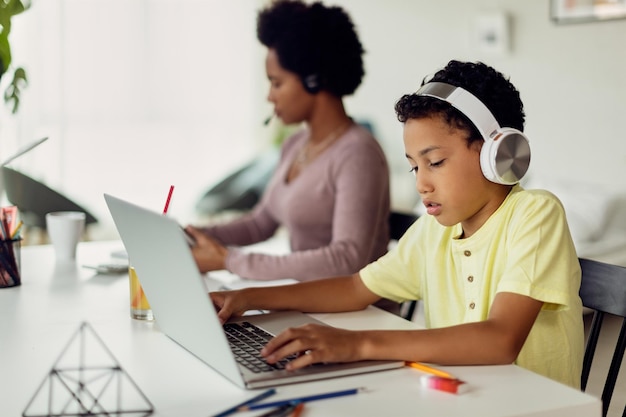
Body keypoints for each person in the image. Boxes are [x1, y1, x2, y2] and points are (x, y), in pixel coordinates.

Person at [208, 60, 585, 389]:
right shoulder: (432, 230)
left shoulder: (536, 214)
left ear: (499, 155)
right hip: (460, 397)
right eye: (414, 166)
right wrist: (250, 298)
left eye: (435, 162)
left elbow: (500, 341)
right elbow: (356, 288)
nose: (421, 182)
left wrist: (357, 344)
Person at [186, 0, 390, 282]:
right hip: (306, 303)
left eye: (277, 83)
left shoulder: (358, 154)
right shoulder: (295, 144)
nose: (270, 96)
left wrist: (230, 261)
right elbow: (260, 224)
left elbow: (347, 259)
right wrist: (193, 235)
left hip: (351, 316)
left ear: (314, 80)